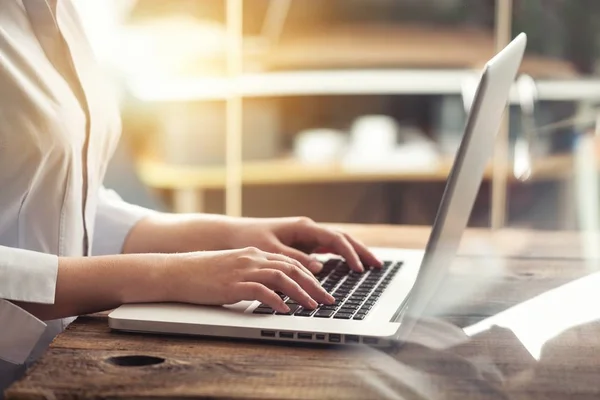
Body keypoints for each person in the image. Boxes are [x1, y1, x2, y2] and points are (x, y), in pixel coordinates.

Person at [0, 0, 381, 391]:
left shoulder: (52, 10)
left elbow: (58, 203)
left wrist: (218, 233)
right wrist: (169, 274)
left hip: (55, 362)